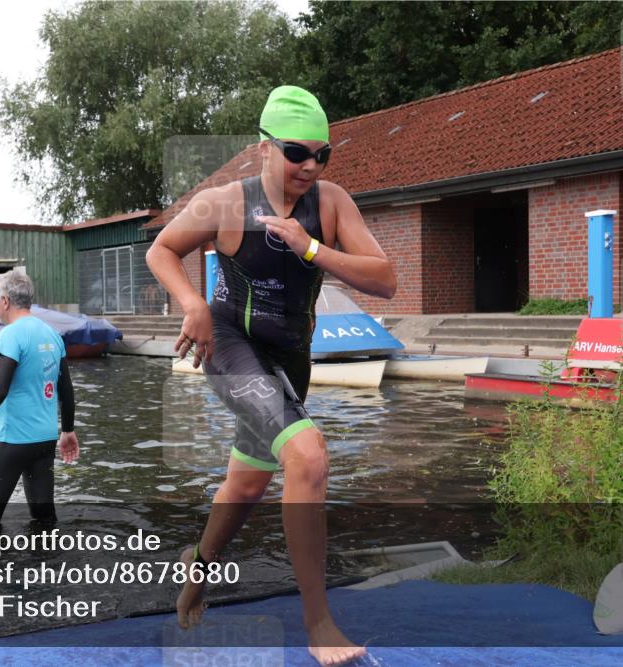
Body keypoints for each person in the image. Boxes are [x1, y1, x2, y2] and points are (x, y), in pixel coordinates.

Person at [146, 85, 397, 666]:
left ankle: (197, 572)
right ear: (264, 147)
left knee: (247, 484)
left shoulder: (330, 204)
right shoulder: (224, 203)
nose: (310, 165)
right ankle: (320, 626)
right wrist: (193, 305)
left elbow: (385, 279)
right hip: (231, 346)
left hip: (290, 361)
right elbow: (162, 249)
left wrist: (311, 248)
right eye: (295, 152)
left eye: (321, 154)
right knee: (308, 458)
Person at [0, 268, 79, 530]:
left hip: (14, 440)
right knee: (44, 520)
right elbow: (66, 388)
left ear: (5, 301)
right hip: (44, 440)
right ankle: (48, 567)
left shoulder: (10, 335)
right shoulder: (51, 334)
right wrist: (67, 430)